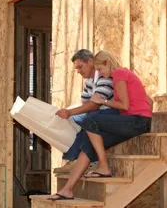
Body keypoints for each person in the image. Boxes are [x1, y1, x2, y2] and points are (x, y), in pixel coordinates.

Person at [48, 50, 152, 200]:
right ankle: (67, 190)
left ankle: (103, 165)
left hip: (136, 121)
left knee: (89, 120)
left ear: (107, 63)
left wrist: (102, 101)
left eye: (100, 69)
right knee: (88, 145)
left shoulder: (120, 74)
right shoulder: (119, 76)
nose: (99, 73)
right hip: (131, 121)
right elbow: (148, 100)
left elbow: (124, 105)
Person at [53, 49, 115, 174]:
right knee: (69, 121)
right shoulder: (89, 82)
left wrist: (70, 113)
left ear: (90, 62)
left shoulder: (104, 77)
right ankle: (75, 158)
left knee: (86, 120)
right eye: (76, 68)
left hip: (108, 114)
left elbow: (93, 105)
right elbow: (83, 103)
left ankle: (79, 159)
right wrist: (64, 111)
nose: (78, 71)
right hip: (95, 113)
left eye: (80, 67)